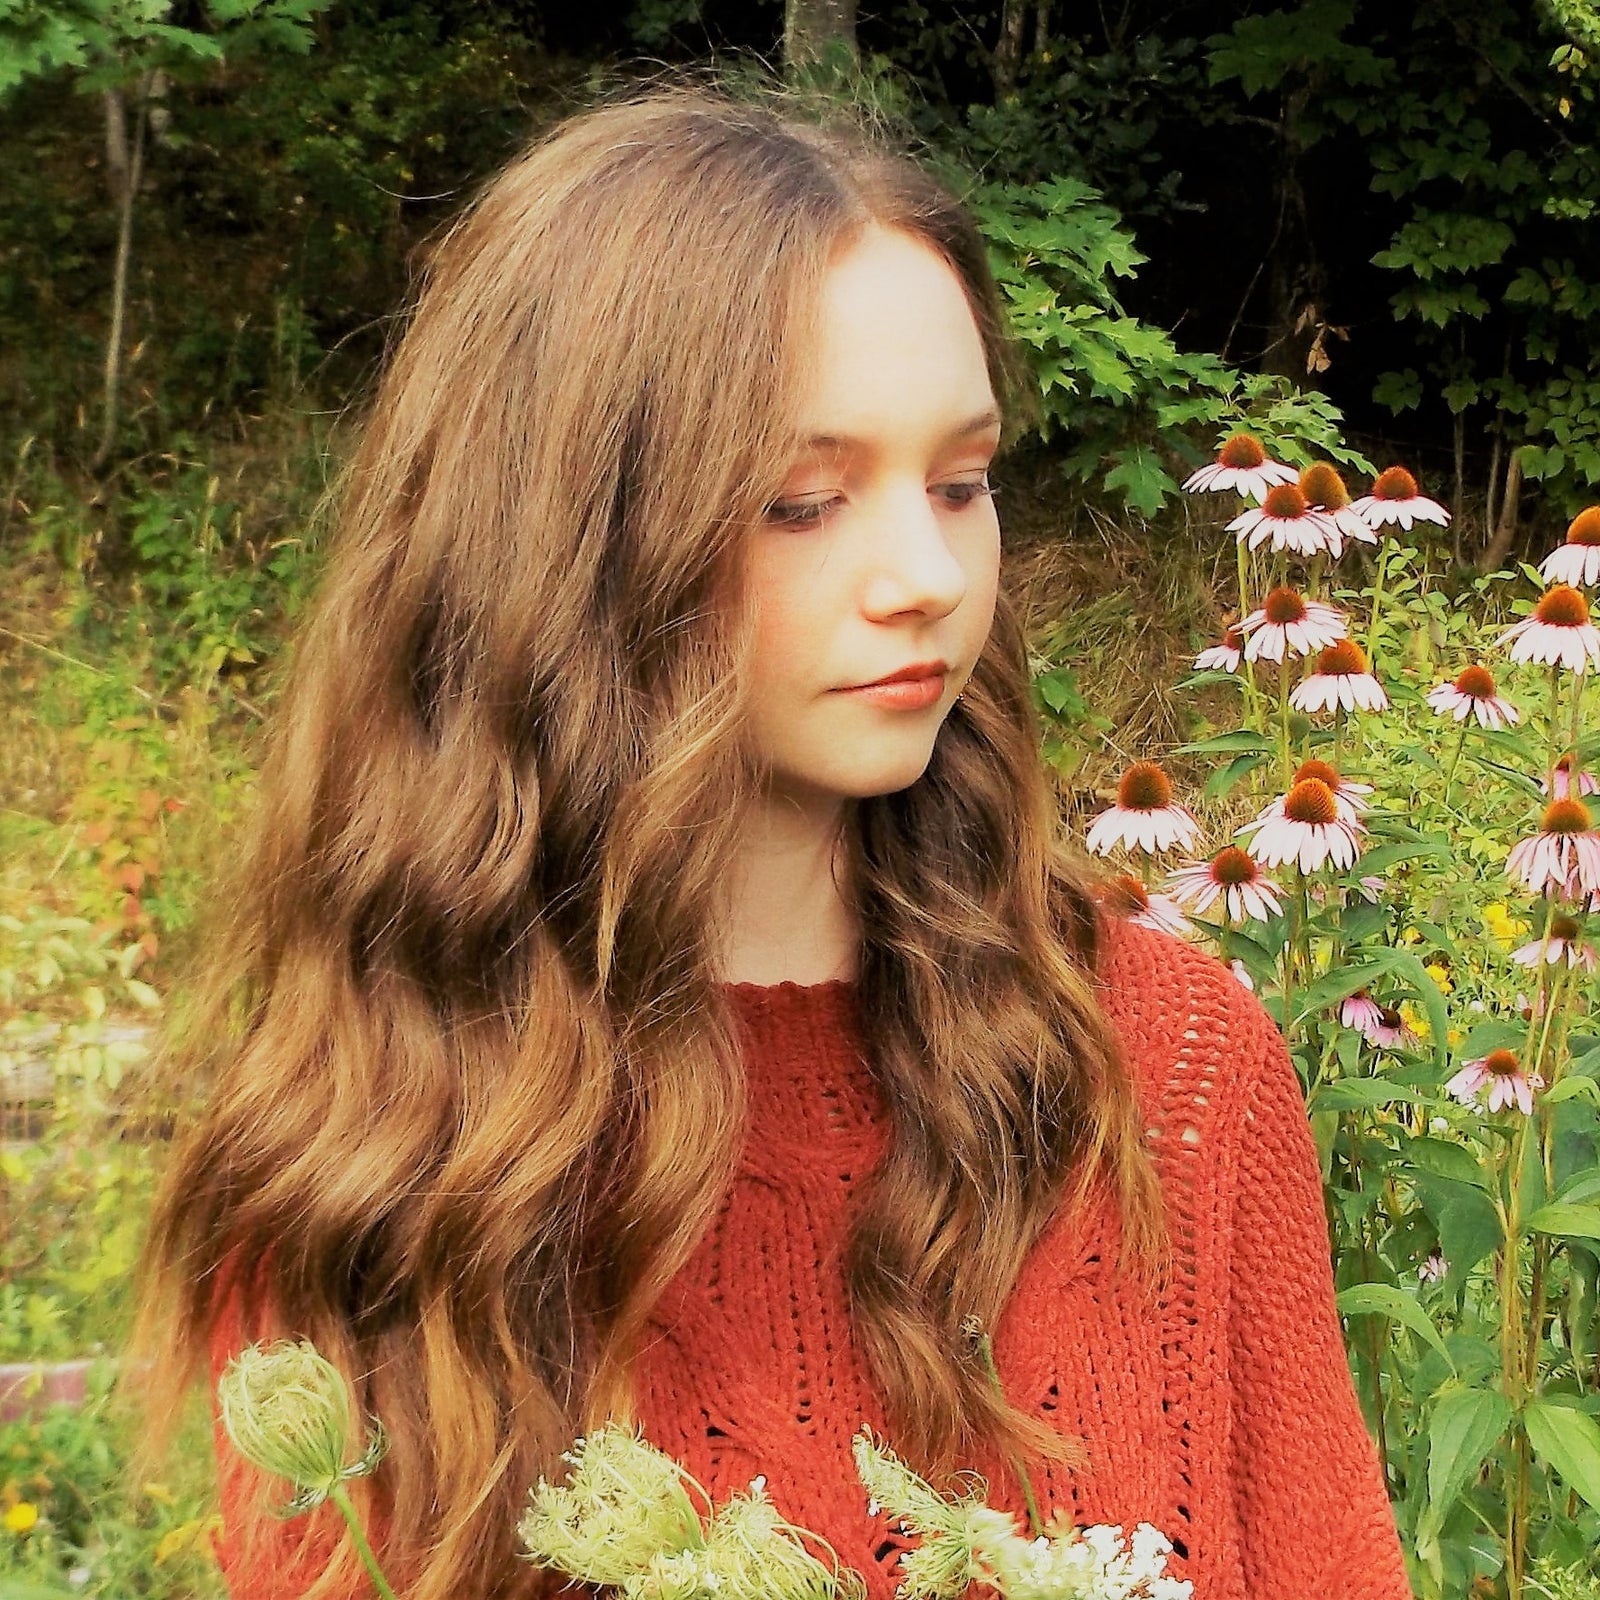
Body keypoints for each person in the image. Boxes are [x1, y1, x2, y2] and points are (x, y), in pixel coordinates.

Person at [124, 79, 1413, 1600]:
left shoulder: (1172, 1076)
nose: (926, 573)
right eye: (804, 501)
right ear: (570, 548)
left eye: (961, 482)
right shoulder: (380, 1163)